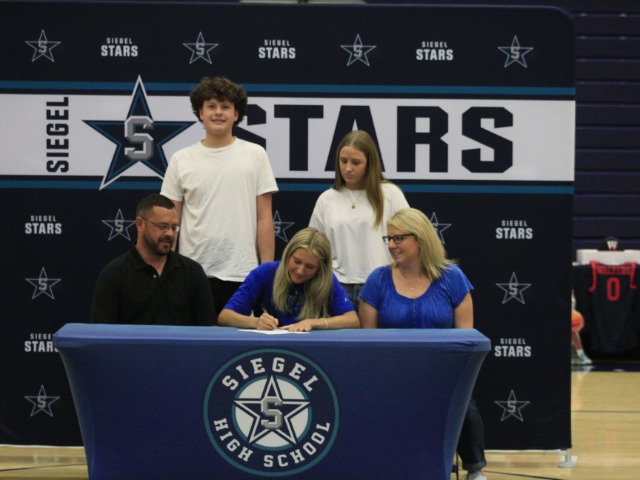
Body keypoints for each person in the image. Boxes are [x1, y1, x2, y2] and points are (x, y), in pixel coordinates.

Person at [359, 207, 487, 480]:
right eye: (389, 239)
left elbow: (466, 338)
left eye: (398, 238)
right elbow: (368, 340)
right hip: (392, 373)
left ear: (420, 239)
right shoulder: (377, 280)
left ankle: (475, 470)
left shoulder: (452, 277)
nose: (391, 245)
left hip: (443, 372)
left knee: (464, 402)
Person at [161, 76, 278, 319]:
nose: (218, 112)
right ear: (200, 113)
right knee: (192, 340)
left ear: (236, 114)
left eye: (225, 107)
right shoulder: (181, 159)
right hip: (192, 272)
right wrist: (168, 267)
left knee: (239, 342)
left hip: (242, 272)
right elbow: (171, 221)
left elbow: (264, 217)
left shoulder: (255, 154)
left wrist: (266, 271)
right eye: (211, 106)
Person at [309, 130, 409, 310]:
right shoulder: (326, 199)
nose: (348, 168)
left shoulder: (390, 194)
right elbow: (314, 247)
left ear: (370, 163)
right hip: (337, 287)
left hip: (382, 284)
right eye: (343, 161)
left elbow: (410, 238)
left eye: (356, 162)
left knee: (380, 331)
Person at [89, 194, 216, 325]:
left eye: (174, 227)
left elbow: (207, 331)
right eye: (162, 226)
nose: (170, 234)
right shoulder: (114, 275)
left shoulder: (193, 273)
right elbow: (101, 333)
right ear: (140, 224)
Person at [218, 227, 359, 332]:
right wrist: (255, 322)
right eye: (297, 261)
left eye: (309, 267)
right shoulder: (265, 272)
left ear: (319, 269)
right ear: (287, 255)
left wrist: (312, 323)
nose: (300, 270)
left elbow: (352, 320)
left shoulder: (326, 280)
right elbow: (225, 317)